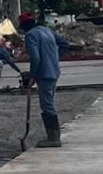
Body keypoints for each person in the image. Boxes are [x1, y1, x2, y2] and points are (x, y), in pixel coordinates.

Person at [19, 12, 68, 148]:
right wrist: (54, 58)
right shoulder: (47, 30)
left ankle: (53, 138)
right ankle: (54, 136)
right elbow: (64, 44)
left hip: (44, 74)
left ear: (24, 26)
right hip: (54, 71)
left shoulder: (30, 35)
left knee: (47, 105)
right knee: (50, 103)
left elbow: (35, 58)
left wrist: (32, 76)